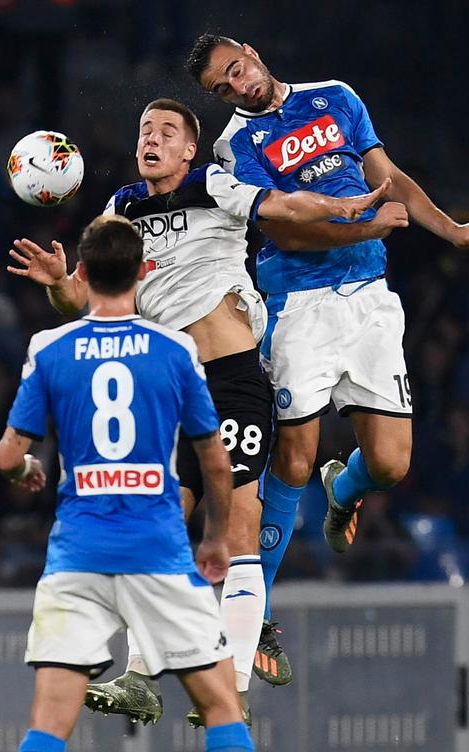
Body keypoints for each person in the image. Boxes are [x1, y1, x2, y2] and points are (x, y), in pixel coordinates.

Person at [7, 98, 390, 720]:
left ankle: (232, 685)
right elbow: (82, 296)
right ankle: (139, 679)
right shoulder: (122, 210)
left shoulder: (213, 185)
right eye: (143, 131)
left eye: (166, 132)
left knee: (236, 532)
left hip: (233, 380)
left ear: (190, 148)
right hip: (170, 390)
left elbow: (284, 207)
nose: (150, 139)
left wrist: (345, 206)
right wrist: (58, 279)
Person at [185, 33, 469, 680]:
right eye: (221, 88)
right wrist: (369, 226)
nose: (237, 86)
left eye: (236, 70)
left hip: (369, 297)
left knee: (393, 466)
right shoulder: (237, 145)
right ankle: (257, 618)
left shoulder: (335, 97)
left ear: (253, 52)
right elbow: (282, 226)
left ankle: (346, 488)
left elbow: (387, 177)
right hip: (297, 304)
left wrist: (451, 230)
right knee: (292, 456)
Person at [0, 215, 262, 752]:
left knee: (50, 720)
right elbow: (215, 462)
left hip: (78, 554)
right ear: (143, 273)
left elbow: (7, 453)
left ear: (83, 273)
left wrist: (27, 469)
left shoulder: (49, 348)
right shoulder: (174, 349)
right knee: (221, 704)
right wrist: (215, 536)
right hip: (158, 549)